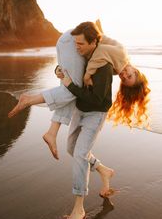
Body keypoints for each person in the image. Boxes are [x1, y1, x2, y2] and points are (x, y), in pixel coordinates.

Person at [8, 22, 150, 159]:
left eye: (125, 79)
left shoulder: (115, 67)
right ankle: (29, 100)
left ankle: (52, 133)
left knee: (72, 90)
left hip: (69, 41)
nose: (124, 75)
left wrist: (59, 70)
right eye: (129, 75)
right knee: (71, 91)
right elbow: (98, 52)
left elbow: (88, 59)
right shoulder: (122, 54)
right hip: (74, 40)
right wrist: (87, 75)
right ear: (135, 70)